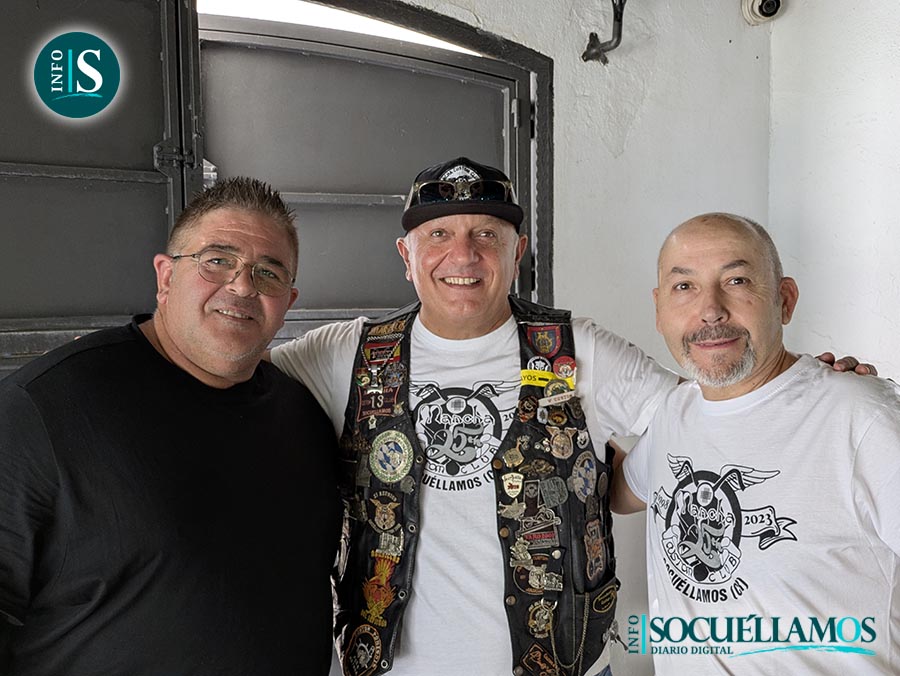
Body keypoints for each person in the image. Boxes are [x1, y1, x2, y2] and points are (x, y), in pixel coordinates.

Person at [0, 177, 341, 676]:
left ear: (287, 304)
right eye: (217, 260)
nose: (242, 286)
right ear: (165, 277)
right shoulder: (45, 407)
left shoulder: (305, 416)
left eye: (267, 273)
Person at [613, 213, 900, 674]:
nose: (710, 310)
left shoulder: (863, 419)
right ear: (659, 309)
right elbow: (616, 490)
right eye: (684, 286)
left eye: (737, 280)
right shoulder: (675, 414)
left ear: (784, 300)